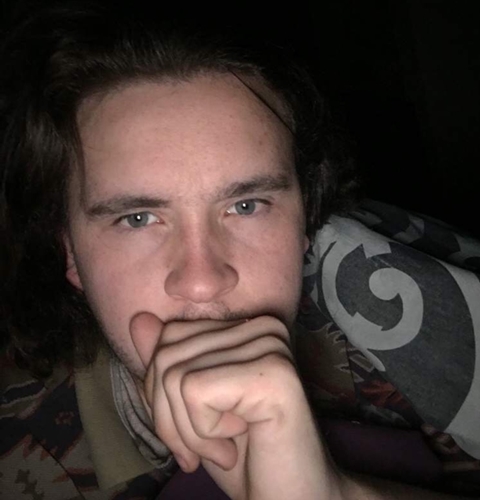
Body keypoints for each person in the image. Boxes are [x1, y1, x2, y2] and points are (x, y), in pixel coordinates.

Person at [0, 1, 474, 499]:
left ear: (305, 222)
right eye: (137, 219)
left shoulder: (421, 335)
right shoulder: (18, 460)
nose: (203, 282)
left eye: (246, 206)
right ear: (70, 254)